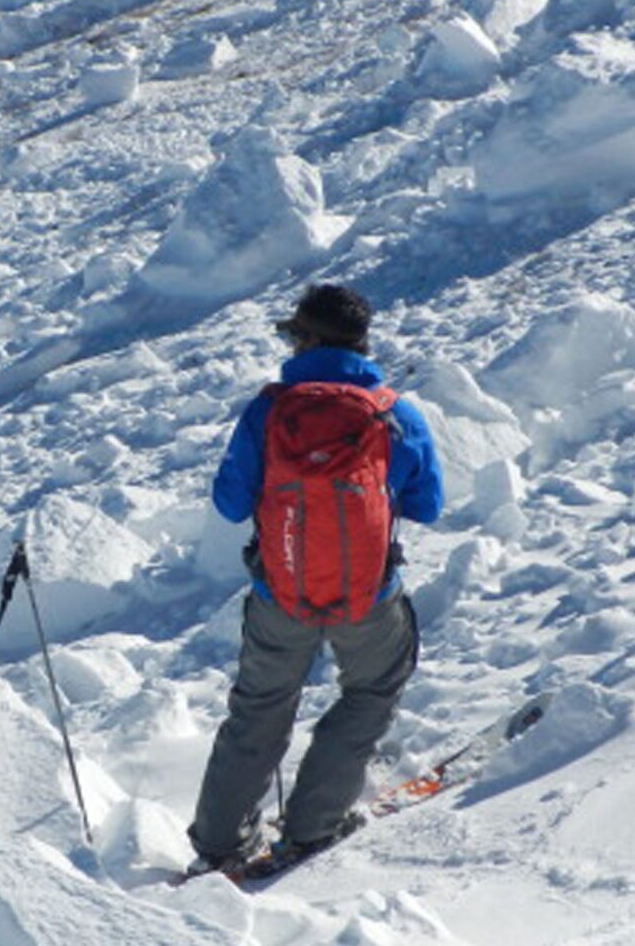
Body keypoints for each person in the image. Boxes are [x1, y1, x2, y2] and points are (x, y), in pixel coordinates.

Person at [186, 283, 444, 874]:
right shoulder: (394, 412)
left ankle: (220, 845)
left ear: (307, 340)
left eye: (292, 333)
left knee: (260, 707)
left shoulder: (270, 410)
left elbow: (229, 503)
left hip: (280, 591)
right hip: (368, 596)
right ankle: (311, 828)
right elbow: (427, 505)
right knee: (371, 692)